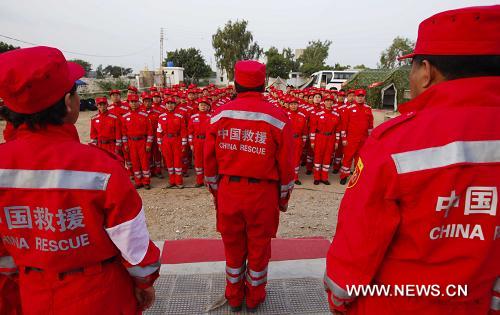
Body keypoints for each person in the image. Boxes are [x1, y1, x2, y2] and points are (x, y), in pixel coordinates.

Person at [324, 5, 500, 314]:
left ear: (427, 71)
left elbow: (357, 244)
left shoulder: (396, 142)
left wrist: (339, 299)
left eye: (413, 68)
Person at [0, 46, 160, 314]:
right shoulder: (99, 166)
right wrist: (144, 283)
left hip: (31, 292)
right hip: (100, 293)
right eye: (75, 91)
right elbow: (134, 245)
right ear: (67, 103)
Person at [204, 60, 294, 312]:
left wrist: (216, 193)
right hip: (262, 194)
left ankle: (233, 296)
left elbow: (208, 163)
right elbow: (287, 167)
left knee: (233, 248)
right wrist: (283, 199)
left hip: (229, 191)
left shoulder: (219, 115)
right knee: (259, 249)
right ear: (264, 84)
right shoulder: (278, 117)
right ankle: (254, 297)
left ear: (236, 84)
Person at [339, 89, 373, 185]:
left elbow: (370, 125)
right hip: (351, 139)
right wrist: (344, 138)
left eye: (362, 96)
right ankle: (344, 176)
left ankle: (357, 177)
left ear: (364, 97)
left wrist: (370, 138)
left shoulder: (368, 109)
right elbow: (344, 125)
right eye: (358, 96)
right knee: (347, 158)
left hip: (363, 139)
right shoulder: (349, 109)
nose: (360, 98)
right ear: (355, 97)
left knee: (360, 159)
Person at [122, 94, 154, 189]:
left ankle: (146, 182)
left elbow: (150, 131)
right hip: (131, 143)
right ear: (128, 103)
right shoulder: (125, 117)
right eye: (131, 102)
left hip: (142, 142)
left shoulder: (144, 115)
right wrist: (125, 144)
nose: (134, 104)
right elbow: (123, 133)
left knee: (144, 162)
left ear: (138, 103)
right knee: (135, 162)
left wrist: (148, 144)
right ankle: (138, 181)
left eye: (135, 102)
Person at [310, 95, 341, 185]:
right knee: (318, 158)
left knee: (327, 158)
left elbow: (338, 129)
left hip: (331, 138)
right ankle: (316, 177)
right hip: (319, 137)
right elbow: (313, 128)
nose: (329, 102)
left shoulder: (336, 115)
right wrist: (312, 141)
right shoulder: (318, 113)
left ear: (333, 102)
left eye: (331, 101)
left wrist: (336, 141)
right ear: (324, 102)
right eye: (327, 101)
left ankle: (324, 177)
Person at [157, 97, 187, 188]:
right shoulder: (161, 117)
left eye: (171, 103)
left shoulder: (180, 116)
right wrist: (159, 143)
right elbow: (159, 131)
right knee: (169, 161)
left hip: (177, 139)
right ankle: (172, 181)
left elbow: (183, 131)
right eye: (168, 103)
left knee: (177, 161)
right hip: (166, 140)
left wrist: (184, 143)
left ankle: (179, 181)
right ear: (165, 105)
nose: (170, 105)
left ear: (175, 105)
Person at [188, 98, 212, 187]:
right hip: (197, 141)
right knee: (198, 161)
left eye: (205, 105)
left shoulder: (211, 117)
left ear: (208, 107)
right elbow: (190, 132)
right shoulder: (193, 117)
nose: (203, 107)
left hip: (207, 141)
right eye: (201, 105)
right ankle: (199, 180)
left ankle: (207, 181)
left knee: (207, 160)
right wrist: (191, 144)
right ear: (198, 106)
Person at [287, 97, 308, 185]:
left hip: (298, 140)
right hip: (288, 140)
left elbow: (304, 130)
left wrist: (303, 141)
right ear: (289, 105)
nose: (293, 106)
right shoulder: (285, 114)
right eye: (291, 104)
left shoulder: (302, 116)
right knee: (287, 159)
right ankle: (286, 177)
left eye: (295, 104)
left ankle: (295, 177)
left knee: (296, 159)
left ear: (298, 105)